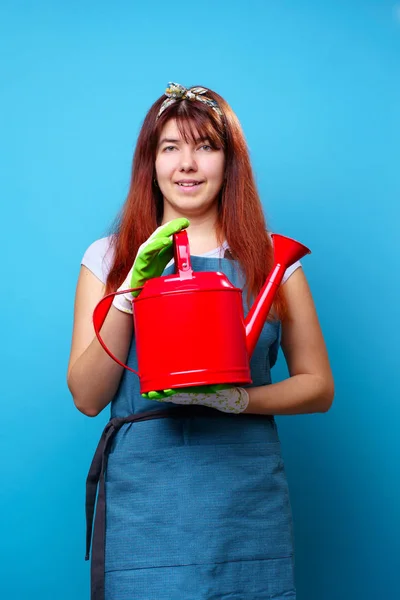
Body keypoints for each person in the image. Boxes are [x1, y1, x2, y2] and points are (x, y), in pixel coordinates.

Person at [67, 82, 334, 600]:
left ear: (230, 162)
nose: (187, 164)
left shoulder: (273, 262)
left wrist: (237, 400)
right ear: (151, 161)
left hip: (245, 502)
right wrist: (129, 291)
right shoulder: (107, 259)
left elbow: (318, 387)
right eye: (171, 147)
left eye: (205, 147)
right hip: (144, 504)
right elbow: (86, 396)